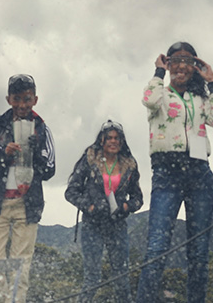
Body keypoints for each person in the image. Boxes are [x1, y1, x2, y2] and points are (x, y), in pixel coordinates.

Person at [135, 42, 213, 303]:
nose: (182, 66)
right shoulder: (161, 96)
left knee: (198, 251)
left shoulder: (201, 98)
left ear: (195, 67)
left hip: (200, 173)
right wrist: (158, 72)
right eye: (175, 60)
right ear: (168, 64)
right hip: (167, 173)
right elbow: (148, 100)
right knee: (156, 248)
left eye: (188, 61)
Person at [0, 74, 56, 303]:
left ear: (35, 100)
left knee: (20, 267)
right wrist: (2, 152)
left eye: (27, 99)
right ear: (8, 99)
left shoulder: (42, 128)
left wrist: (35, 152)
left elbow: (50, 169)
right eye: (17, 99)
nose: (22, 105)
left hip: (27, 204)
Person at [64, 120, 144, 303]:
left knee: (122, 279)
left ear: (122, 142)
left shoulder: (130, 165)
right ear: (102, 140)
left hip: (117, 225)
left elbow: (138, 198)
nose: (113, 141)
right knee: (92, 278)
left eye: (117, 138)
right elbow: (71, 192)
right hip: (93, 225)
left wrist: (126, 207)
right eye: (109, 138)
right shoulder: (89, 160)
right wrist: (90, 207)